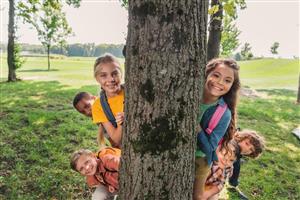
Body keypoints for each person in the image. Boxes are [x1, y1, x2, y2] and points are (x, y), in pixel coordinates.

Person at [193, 58, 241, 200]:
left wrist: (197, 129)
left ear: (232, 86)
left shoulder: (224, 113)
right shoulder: (189, 94)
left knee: (196, 197)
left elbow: (209, 149)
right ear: (206, 74)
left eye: (227, 80)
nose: (220, 82)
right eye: (216, 75)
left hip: (201, 159)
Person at [92, 53, 124, 148]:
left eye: (115, 73)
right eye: (103, 75)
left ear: (121, 74)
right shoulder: (98, 106)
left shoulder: (131, 91)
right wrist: (121, 122)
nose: (111, 79)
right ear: (97, 79)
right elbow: (116, 139)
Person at [228, 129, 265, 200]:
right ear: (240, 138)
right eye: (246, 143)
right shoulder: (231, 146)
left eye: (251, 150)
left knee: (237, 165)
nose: (247, 149)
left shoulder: (238, 153)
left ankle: (233, 184)